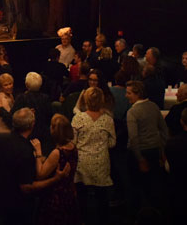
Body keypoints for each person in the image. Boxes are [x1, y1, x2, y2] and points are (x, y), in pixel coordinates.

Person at [0, 108, 71, 225]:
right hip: (18, 205)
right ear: (32, 125)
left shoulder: (0, 139)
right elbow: (27, 187)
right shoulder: (25, 150)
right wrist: (56, 179)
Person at [72, 87, 116, 224]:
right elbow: (112, 142)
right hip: (101, 162)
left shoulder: (78, 119)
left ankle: (83, 220)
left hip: (82, 162)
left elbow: (73, 142)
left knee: (82, 197)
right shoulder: (108, 120)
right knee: (102, 197)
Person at [125, 80, 168, 210]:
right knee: (153, 185)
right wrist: (163, 152)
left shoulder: (132, 112)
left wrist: (139, 158)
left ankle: (138, 215)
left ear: (137, 94)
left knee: (136, 186)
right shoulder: (154, 106)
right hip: (154, 150)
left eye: (129, 93)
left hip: (139, 153)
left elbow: (133, 138)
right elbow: (164, 130)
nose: (126, 95)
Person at [35, 114, 79, 225]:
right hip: (69, 194)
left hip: (56, 197)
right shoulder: (73, 147)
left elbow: (40, 174)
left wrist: (38, 153)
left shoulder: (57, 153)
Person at [13, 72, 53, 154]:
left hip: (25, 137)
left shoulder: (21, 98)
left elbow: (13, 117)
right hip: (43, 136)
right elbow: (49, 117)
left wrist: (1, 109)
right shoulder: (46, 98)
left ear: (26, 85)